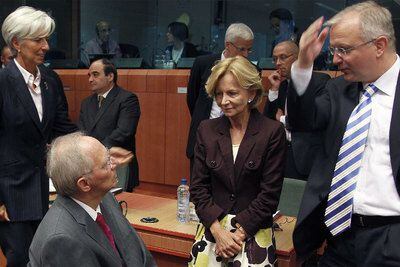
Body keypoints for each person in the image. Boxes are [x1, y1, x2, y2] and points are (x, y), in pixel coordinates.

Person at [287, 1, 400, 266]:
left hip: (391, 240)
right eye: (334, 49)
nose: (335, 59)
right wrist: (303, 63)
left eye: (344, 50)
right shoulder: (339, 90)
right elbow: (303, 120)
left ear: (379, 45)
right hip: (339, 238)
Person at [189, 56, 286, 266]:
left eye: (232, 93)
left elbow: (270, 194)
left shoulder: (272, 132)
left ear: (251, 93)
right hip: (212, 230)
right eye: (218, 94)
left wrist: (237, 235)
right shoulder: (206, 130)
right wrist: (219, 232)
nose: (224, 101)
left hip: (253, 231)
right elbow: (198, 188)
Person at [0, 6, 78, 266]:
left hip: (42, 188)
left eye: (47, 39)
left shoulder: (50, 80)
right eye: (38, 39)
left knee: (43, 257)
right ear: (16, 43)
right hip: (9, 194)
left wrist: (98, 148)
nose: (46, 46)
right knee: (20, 258)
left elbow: (62, 128)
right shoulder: (2, 83)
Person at [28, 132, 155, 267]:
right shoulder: (62, 240)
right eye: (105, 163)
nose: (114, 164)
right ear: (84, 184)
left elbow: (137, 253)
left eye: (108, 156)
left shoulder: (105, 198)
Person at [186, 22, 255, 173]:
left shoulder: (252, 70)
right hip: (203, 137)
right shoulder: (203, 63)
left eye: (249, 50)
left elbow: (251, 105)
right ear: (228, 45)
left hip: (235, 140)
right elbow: (192, 99)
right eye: (242, 49)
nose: (246, 55)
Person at [264, 40, 330, 180]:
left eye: (283, 57)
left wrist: (282, 119)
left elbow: (311, 119)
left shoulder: (320, 81)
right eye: (275, 59)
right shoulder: (281, 85)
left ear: (298, 57)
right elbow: (267, 121)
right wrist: (274, 90)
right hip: (280, 154)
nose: (278, 63)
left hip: (305, 156)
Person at [79, 58, 141, 191]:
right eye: (89, 75)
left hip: (117, 165)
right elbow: (82, 133)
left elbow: (124, 132)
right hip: (91, 166)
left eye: (95, 74)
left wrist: (98, 152)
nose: (90, 79)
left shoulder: (127, 99)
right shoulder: (86, 103)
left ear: (110, 76)